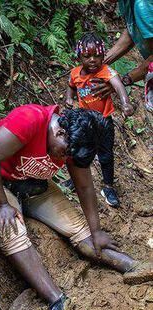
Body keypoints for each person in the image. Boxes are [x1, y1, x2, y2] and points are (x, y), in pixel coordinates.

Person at [0, 105, 153, 310]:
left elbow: (84, 187)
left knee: (78, 229)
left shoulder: (74, 141)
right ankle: (57, 300)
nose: (66, 158)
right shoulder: (29, 119)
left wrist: (96, 231)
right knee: (12, 231)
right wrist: (2, 205)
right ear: (60, 132)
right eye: (65, 153)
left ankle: (131, 265)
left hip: (33, 185)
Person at [66, 33, 134, 207]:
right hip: (84, 121)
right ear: (79, 56)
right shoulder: (75, 73)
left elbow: (118, 85)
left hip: (103, 121)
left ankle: (108, 187)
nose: (92, 60)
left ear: (103, 55)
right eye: (87, 56)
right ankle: (75, 179)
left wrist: (125, 103)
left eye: (97, 55)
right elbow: (71, 86)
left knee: (106, 155)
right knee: (79, 151)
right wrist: (69, 98)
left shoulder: (105, 71)